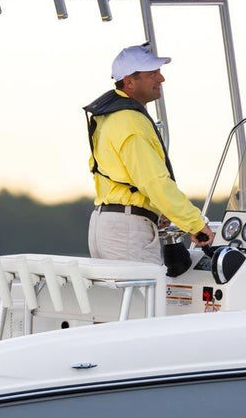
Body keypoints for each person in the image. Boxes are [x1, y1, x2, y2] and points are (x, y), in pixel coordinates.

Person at [84, 44, 214, 264]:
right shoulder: (130, 121)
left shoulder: (110, 117)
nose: (161, 79)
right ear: (130, 82)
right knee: (145, 299)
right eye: (152, 74)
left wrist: (158, 210)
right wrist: (195, 223)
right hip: (127, 230)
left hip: (107, 224)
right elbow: (153, 181)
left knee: (130, 299)